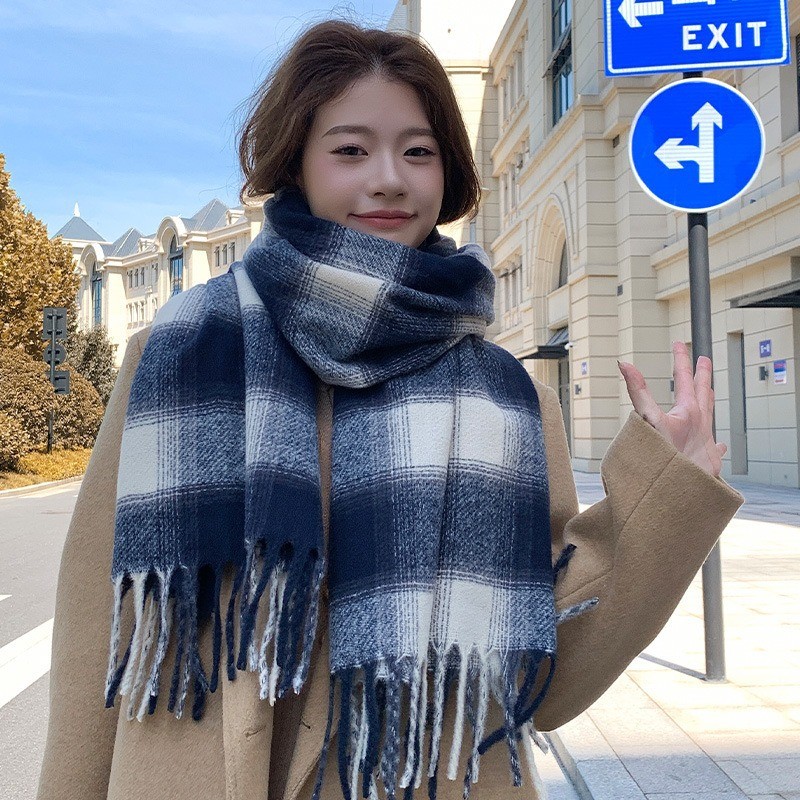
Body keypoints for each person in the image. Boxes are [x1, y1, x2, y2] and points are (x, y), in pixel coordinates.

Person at [37, 20, 743, 800]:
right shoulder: (183, 354)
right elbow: (96, 634)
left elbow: (544, 677)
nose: (389, 179)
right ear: (296, 164)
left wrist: (666, 497)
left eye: (418, 151)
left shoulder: (507, 398)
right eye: (350, 150)